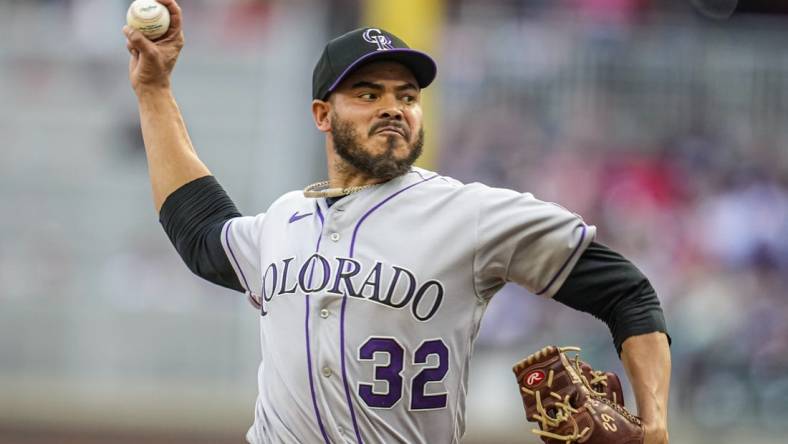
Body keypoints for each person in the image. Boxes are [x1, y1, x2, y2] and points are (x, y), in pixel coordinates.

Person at [123, 1, 671, 443]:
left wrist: (655, 423)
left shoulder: (471, 215)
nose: (393, 107)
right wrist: (153, 89)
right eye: (368, 93)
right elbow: (201, 233)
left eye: (406, 95)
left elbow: (627, 293)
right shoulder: (284, 220)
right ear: (322, 114)